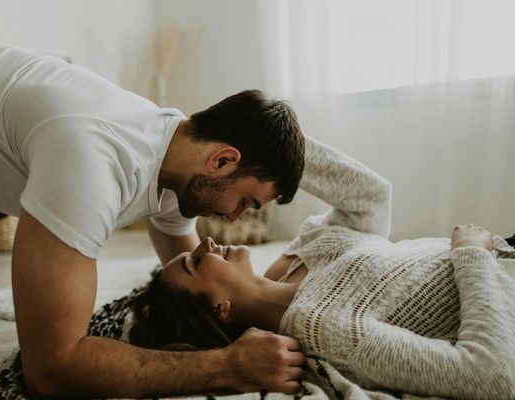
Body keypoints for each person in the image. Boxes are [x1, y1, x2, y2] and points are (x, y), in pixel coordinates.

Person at [0, 30, 307, 397]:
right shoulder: (91, 164)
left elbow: (199, 281)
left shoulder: (177, 155)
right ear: (222, 161)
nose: (234, 217)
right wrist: (229, 366)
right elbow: (49, 369)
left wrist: (260, 308)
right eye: (245, 201)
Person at [130, 135, 515, 400]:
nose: (206, 243)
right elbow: (491, 375)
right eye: (196, 262)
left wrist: (267, 145)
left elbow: (371, 197)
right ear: (220, 308)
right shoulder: (328, 330)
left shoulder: (294, 260)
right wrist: (472, 257)